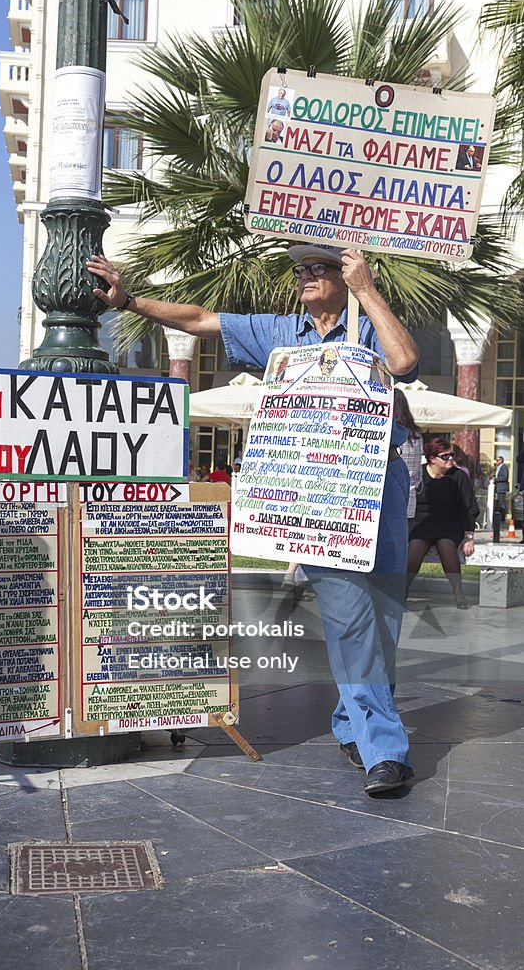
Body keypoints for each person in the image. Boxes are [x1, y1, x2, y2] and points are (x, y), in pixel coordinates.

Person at [87, 244, 419, 795]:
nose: (306, 277)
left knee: (383, 619)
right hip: (316, 493)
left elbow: (404, 361)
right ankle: (385, 750)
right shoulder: (278, 330)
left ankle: (349, 721)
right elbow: (198, 319)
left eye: (319, 268)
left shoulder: (367, 324)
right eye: (301, 271)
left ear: (347, 274)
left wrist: (367, 291)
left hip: (380, 481)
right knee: (352, 618)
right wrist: (130, 300)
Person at [406, 438, 479, 610]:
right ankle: (402, 591)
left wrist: (468, 536)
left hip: (449, 522)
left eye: (452, 455)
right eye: (445, 456)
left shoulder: (458, 476)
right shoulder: (419, 475)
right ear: (432, 458)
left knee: (446, 545)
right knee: (415, 546)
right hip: (421, 522)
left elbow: (468, 507)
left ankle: (458, 592)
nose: (451, 460)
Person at [393, 389, 423, 520]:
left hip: (387, 494)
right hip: (409, 496)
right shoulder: (416, 435)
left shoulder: (391, 432)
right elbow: (418, 473)